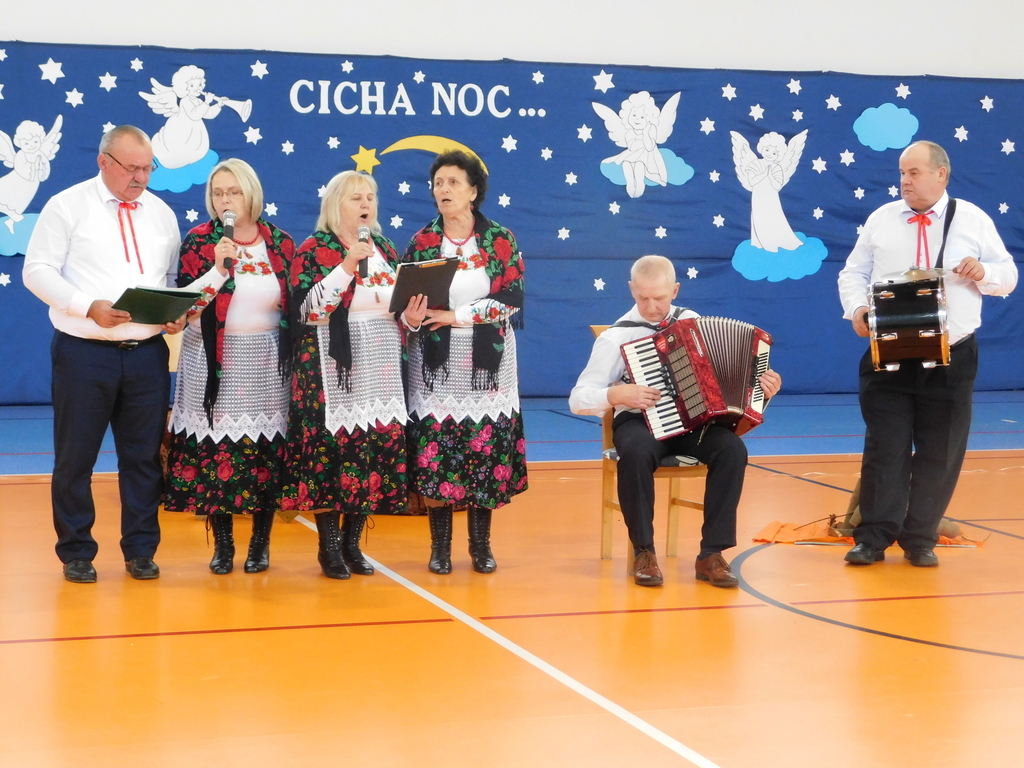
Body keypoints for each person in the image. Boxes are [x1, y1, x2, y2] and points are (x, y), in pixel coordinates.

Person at [837, 140, 1017, 568]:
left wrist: (984, 272)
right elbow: (853, 272)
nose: (905, 180)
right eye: (902, 173)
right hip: (889, 353)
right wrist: (857, 309)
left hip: (952, 355)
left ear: (941, 174)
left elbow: (1007, 275)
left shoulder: (972, 219)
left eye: (914, 172)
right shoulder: (881, 219)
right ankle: (872, 538)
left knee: (941, 450)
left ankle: (920, 539)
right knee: (885, 448)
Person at [23, 125, 183, 583]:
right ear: (103, 162)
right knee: (76, 458)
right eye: (131, 168)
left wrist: (175, 313)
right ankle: (76, 551)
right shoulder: (66, 205)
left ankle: (141, 550)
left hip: (147, 355)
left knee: (144, 458)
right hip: (83, 353)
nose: (140, 177)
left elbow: (170, 279)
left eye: (147, 168)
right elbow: (36, 271)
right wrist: (85, 306)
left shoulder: (162, 214)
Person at [569, 255, 782, 587]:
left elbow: (725, 382)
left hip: (693, 422)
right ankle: (644, 552)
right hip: (640, 423)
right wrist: (617, 394)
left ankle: (711, 554)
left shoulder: (692, 322)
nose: (652, 306)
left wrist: (763, 389)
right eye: (643, 298)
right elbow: (578, 397)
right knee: (636, 452)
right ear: (631, 289)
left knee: (732, 450)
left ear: (676, 290)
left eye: (660, 297)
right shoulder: (616, 336)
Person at [282, 171, 426, 579]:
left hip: (380, 369)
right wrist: (347, 265)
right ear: (335, 206)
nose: (366, 204)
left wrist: (413, 318)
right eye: (355, 198)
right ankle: (328, 547)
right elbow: (309, 311)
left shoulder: (385, 249)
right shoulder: (314, 249)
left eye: (370, 197)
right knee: (331, 456)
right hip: (331, 373)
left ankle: (353, 544)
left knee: (369, 455)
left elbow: (397, 311)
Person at [162, 159, 295, 575]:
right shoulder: (200, 241)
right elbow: (187, 308)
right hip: (214, 360)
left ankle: (260, 543)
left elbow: (293, 304)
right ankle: (223, 545)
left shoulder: (280, 242)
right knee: (217, 451)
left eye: (233, 192)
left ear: (251, 194)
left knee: (265, 453)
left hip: (267, 362)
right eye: (218, 193)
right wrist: (218, 270)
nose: (225, 200)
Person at [403, 150, 528, 575]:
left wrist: (456, 316)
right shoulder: (422, 242)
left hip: (486, 367)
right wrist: (411, 317)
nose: (444, 190)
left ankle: (480, 545)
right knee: (436, 454)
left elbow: (511, 299)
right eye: (438, 183)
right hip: (435, 367)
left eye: (453, 182)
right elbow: (405, 305)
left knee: (483, 452)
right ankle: (440, 548)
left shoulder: (500, 240)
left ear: (473, 191)